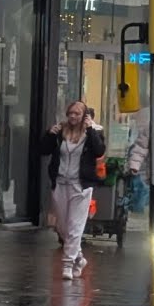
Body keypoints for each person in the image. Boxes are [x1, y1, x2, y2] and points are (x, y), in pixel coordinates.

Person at [41, 101, 105, 281]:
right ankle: (79, 258)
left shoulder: (93, 132)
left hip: (81, 185)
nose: (73, 117)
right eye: (70, 113)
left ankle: (68, 264)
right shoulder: (60, 132)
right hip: (60, 183)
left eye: (77, 114)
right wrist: (49, 135)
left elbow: (99, 150)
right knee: (62, 227)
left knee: (75, 227)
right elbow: (43, 150)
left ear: (84, 115)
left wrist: (91, 130)